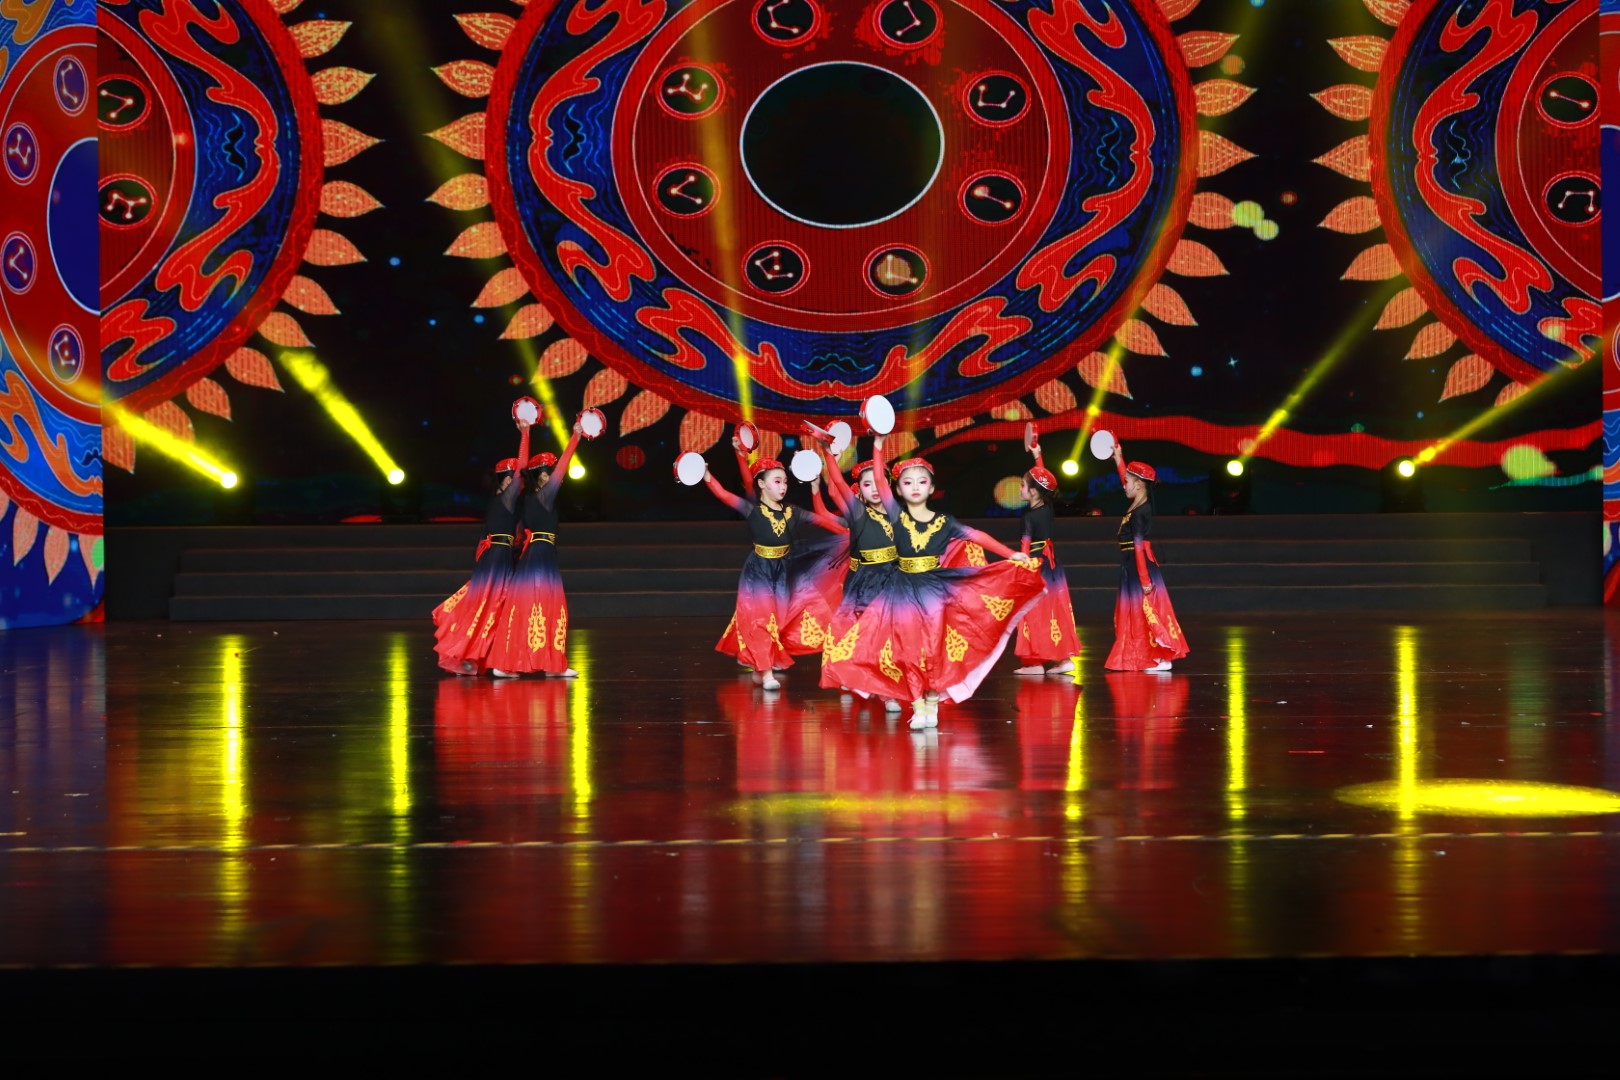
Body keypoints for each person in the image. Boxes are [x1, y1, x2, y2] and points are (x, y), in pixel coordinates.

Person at [820, 451, 1044, 729]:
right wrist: (878, 445)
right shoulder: (896, 516)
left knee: (934, 650)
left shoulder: (944, 522)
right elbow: (876, 478)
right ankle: (917, 706)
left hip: (934, 592)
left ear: (931, 488)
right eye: (907, 482)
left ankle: (933, 700)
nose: (915, 486)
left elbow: (976, 535)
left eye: (922, 481)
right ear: (898, 490)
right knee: (907, 651)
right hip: (902, 591)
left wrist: (1011, 554)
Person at [704, 437, 847, 691]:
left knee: (778, 621)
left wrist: (852, 536)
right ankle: (767, 672)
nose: (783, 486)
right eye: (777, 481)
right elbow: (723, 493)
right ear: (762, 484)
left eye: (785, 482)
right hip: (758, 570)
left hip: (784, 570)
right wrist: (706, 475)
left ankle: (760, 667)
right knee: (761, 619)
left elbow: (826, 522)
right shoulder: (753, 509)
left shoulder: (793, 511)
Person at [483, 415, 585, 677]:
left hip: (537, 554)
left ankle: (522, 664)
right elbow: (561, 465)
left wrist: (526, 432)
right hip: (539, 556)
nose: (556, 478)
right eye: (550, 473)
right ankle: (539, 665)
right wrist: (575, 437)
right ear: (543, 476)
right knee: (546, 607)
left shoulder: (530, 499)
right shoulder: (542, 495)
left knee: (529, 608)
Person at [433, 415, 531, 675]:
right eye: (515, 478)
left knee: (490, 607)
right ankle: (486, 659)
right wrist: (525, 432)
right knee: (494, 605)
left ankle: (476, 656)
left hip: (499, 556)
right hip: (497, 558)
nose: (519, 482)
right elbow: (523, 465)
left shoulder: (502, 501)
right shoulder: (505, 499)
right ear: (505, 480)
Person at [814, 434, 904, 712]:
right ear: (860, 491)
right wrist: (828, 454)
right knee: (864, 633)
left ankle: (886, 688)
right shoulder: (858, 514)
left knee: (890, 635)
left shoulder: (896, 512)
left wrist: (879, 446)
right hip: (864, 581)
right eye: (867, 485)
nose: (874, 489)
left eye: (878, 483)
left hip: (893, 579)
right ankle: (867, 681)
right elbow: (837, 486)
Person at [1104, 444, 1189, 672]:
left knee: (1147, 611)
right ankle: (1146, 655)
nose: (1124, 485)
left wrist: (1144, 580)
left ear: (1139, 485)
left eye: (1128, 482)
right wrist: (1119, 458)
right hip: (1130, 563)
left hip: (1139, 565)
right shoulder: (1137, 503)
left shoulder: (1142, 511)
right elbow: (1126, 478)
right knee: (1136, 612)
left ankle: (1161, 657)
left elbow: (1139, 546)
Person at [1012, 440, 1081, 676]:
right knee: (1056, 611)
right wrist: (1037, 455)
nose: (1020, 489)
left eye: (1023, 485)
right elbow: (1043, 481)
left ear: (1033, 492)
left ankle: (1035, 663)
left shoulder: (1028, 517)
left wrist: (1020, 572)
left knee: (1033, 612)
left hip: (1035, 567)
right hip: (1052, 567)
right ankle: (1064, 659)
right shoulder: (1048, 508)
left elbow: (1024, 548)